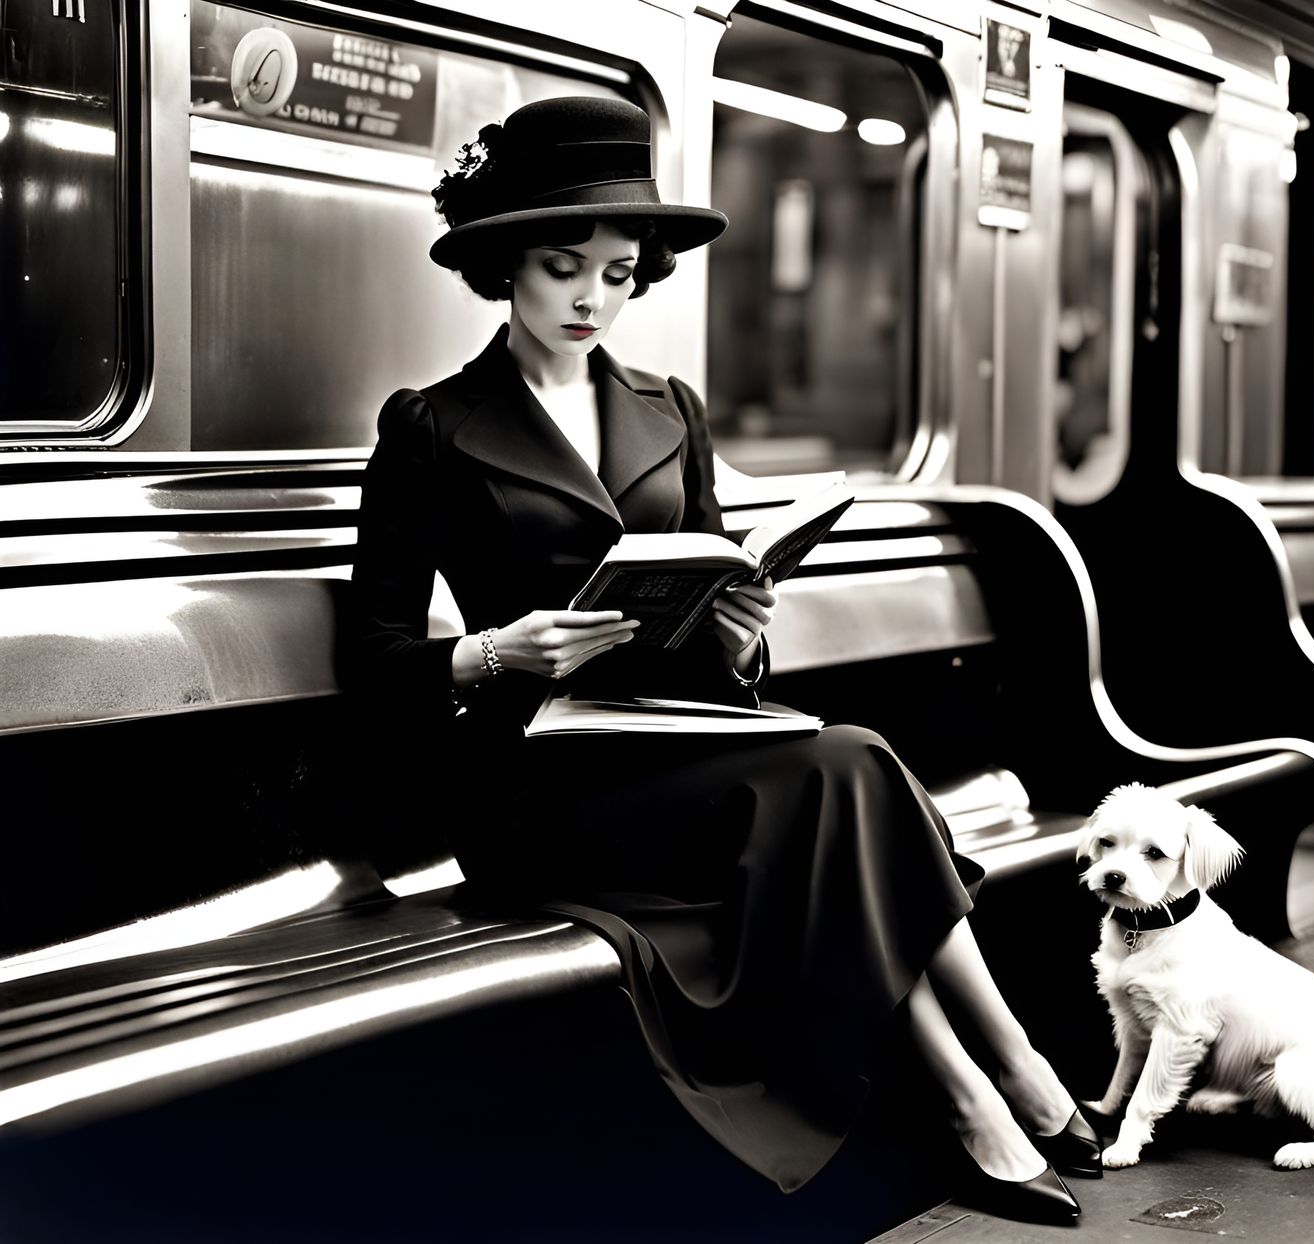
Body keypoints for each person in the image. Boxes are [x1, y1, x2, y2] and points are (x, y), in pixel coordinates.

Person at [339, 95, 1099, 1221]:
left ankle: (986, 1087)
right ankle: (997, 1079)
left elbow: (706, 599)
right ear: (506, 264)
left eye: (620, 269)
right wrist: (497, 650)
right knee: (847, 770)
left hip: (677, 745)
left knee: (844, 769)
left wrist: (739, 632)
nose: (596, 296)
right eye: (564, 267)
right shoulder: (430, 428)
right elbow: (375, 654)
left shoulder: (670, 410)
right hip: (532, 781)